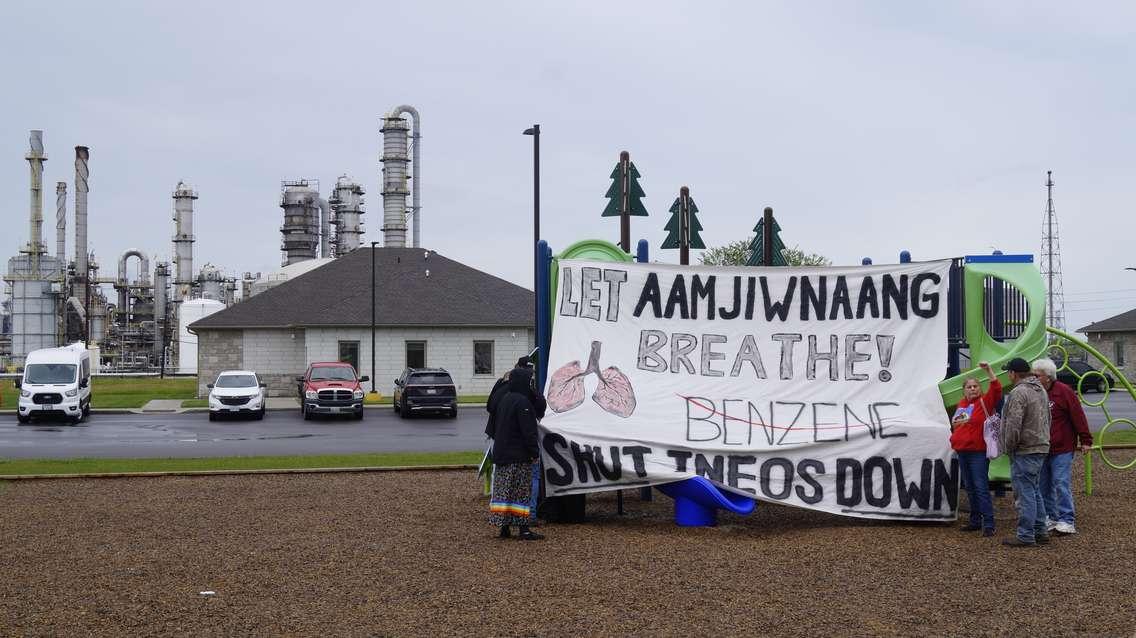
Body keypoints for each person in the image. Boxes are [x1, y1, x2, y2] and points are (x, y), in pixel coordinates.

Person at [1032, 358, 1093, 535]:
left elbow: (1078, 416)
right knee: (1043, 484)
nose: (1034, 378)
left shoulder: (1064, 392)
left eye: (1038, 375)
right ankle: (1051, 516)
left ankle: (1067, 519)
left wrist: (1086, 440)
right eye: (1033, 374)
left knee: (1060, 482)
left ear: (1048, 377)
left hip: (1062, 446)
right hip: (1042, 447)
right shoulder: (1036, 392)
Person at [998, 357, 1052, 547]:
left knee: (1025, 493)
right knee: (1034, 490)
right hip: (1040, 445)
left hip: (1025, 449)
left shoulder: (1019, 392)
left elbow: (1014, 423)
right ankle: (1040, 530)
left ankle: (1025, 535)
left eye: (1008, 372)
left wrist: (1008, 446)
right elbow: (1048, 417)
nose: (1008, 375)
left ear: (1013, 373)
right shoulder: (1041, 390)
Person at [488, 367, 544, 540]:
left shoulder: (505, 399)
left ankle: (504, 527)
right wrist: (534, 453)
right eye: (529, 381)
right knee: (521, 492)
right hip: (518, 455)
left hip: (502, 453)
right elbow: (528, 432)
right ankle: (524, 529)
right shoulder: (523, 403)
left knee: (505, 492)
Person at [949, 361, 1001, 536]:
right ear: (964, 390)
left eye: (975, 386)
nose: (972, 389)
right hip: (962, 451)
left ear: (980, 389)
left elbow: (996, 389)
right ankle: (975, 520)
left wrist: (989, 371)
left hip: (978, 452)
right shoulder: (961, 405)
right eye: (969, 387)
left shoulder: (984, 402)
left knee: (980, 487)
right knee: (970, 487)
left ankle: (989, 523)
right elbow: (958, 426)